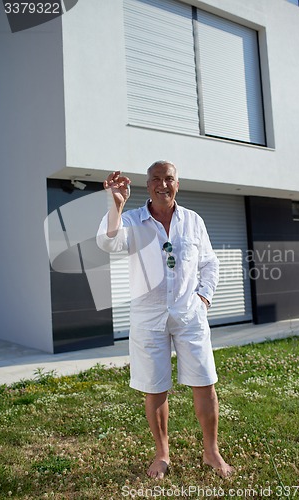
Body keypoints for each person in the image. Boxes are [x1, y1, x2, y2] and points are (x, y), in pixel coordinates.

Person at [96, 160, 234, 479]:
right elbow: (107, 242)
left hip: (189, 315)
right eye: (156, 179)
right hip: (148, 317)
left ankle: (211, 453)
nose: (163, 184)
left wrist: (204, 297)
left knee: (205, 382)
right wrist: (115, 205)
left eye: (168, 178)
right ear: (148, 186)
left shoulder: (193, 221)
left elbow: (210, 263)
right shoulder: (131, 220)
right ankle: (162, 454)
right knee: (155, 388)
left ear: (177, 184)